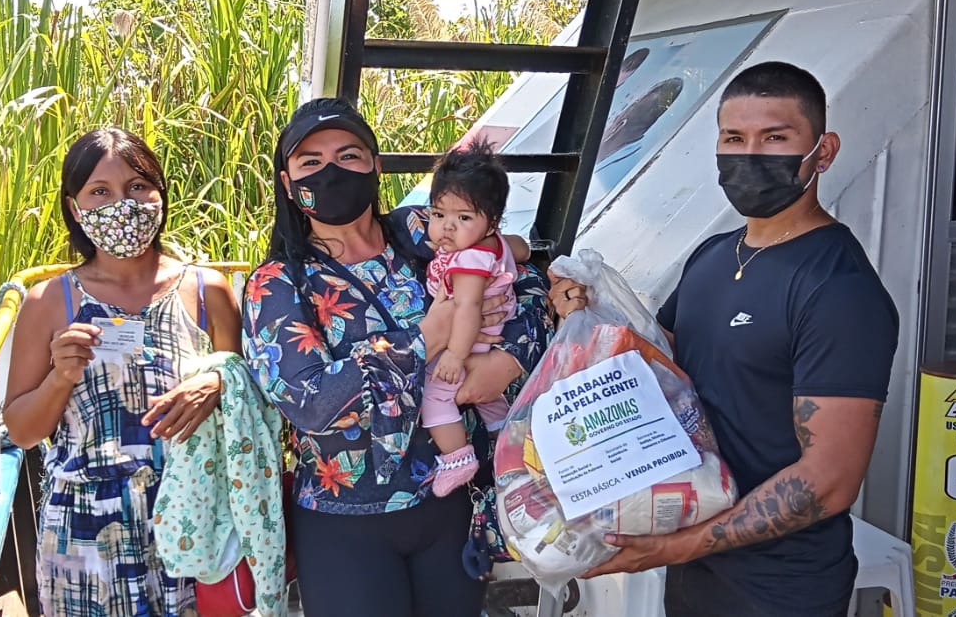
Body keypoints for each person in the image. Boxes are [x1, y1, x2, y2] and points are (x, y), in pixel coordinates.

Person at [551, 61, 899, 617]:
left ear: (824, 151)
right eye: (734, 138)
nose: (750, 154)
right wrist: (587, 313)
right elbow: (662, 366)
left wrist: (674, 547)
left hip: (780, 589)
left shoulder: (838, 288)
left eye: (775, 138)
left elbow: (830, 480)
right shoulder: (714, 255)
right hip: (696, 572)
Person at [242, 97, 551, 617]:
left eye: (349, 155)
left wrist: (508, 361)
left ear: (376, 165)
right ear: (288, 183)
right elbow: (311, 403)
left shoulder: (423, 234)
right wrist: (424, 338)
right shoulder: (278, 283)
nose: (332, 171)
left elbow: (528, 286)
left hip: (449, 506)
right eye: (311, 162)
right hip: (346, 523)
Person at [2, 128, 242, 617]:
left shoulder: (207, 291)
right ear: (75, 209)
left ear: (160, 195)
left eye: (137, 186)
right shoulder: (50, 302)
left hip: (191, 519)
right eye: (100, 191)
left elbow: (249, 401)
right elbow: (22, 430)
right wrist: (59, 377)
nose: (123, 205)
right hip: (85, 531)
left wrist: (220, 382)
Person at [421, 141, 530, 497]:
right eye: (439, 215)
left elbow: (467, 308)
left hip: (469, 339)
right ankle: (508, 440)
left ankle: (457, 457)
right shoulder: (492, 243)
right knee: (487, 397)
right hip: (490, 336)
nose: (447, 228)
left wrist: (454, 355)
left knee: (435, 395)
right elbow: (522, 248)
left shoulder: (468, 262)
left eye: (464, 218)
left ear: (491, 221)